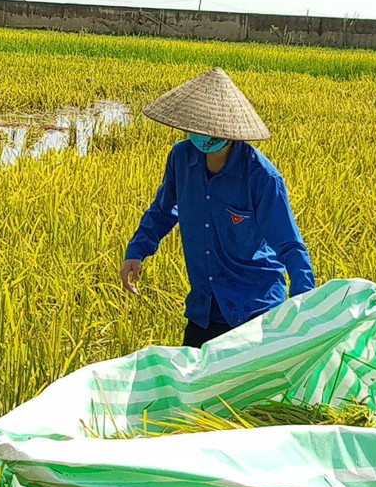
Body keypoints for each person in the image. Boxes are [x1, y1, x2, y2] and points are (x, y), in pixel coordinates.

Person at [121, 67, 315, 347]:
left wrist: (303, 305)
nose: (202, 134)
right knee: (193, 388)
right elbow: (163, 210)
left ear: (230, 130)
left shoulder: (261, 176)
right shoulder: (181, 158)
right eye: (196, 126)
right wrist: (137, 250)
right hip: (204, 308)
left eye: (211, 128)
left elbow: (289, 244)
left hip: (254, 311)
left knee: (251, 391)